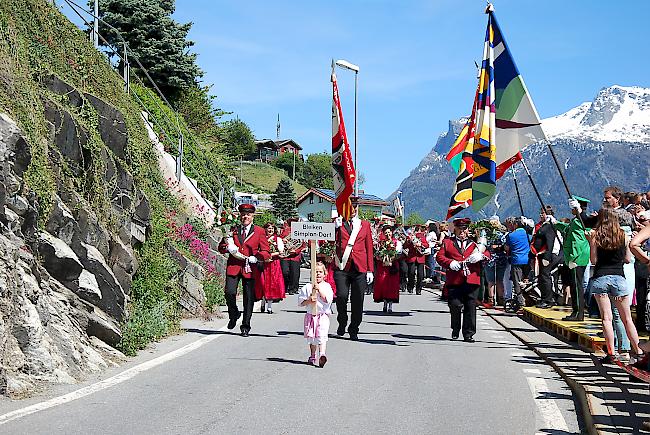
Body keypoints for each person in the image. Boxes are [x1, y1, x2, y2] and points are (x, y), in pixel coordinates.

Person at [585, 208, 643, 363]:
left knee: (606, 318)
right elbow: (627, 259)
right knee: (627, 319)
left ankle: (611, 353)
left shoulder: (596, 235)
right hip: (619, 279)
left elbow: (593, 261)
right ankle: (638, 352)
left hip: (601, 279)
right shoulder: (623, 235)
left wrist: (591, 243)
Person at [218, 203, 270, 337]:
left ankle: (245, 325)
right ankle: (234, 313)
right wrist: (227, 248)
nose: (245, 217)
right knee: (229, 292)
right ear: (239, 215)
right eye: (243, 214)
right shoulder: (232, 229)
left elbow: (266, 251)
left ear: (253, 216)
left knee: (248, 298)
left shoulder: (259, 231)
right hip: (234, 265)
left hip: (250, 267)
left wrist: (257, 257)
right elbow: (221, 246)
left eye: (248, 214)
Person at [436, 217, 490, 343]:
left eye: (464, 229)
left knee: (470, 307)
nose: (462, 231)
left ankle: (468, 334)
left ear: (468, 230)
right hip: (454, 280)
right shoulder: (448, 242)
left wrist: (480, 256)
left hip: (472, 279)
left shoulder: (475, 243)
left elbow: (488, 254)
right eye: (459, 229)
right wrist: (450, 263)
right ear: (455, 229)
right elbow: (440, 257)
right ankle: (455, 328)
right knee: (455, 305)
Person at [333, 197, 375, 340]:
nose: (353, 210)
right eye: (350, 206)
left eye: (355, 207)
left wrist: (370, 269)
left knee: (358, 300)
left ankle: (354, 328)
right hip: (342, 266)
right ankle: (342, 321)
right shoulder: (338, 223)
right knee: (341, 296)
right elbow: (328, 242)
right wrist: (335, 228)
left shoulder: (364, 225)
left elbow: (369, 247)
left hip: (360, 267)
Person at [557, 196, 592, 321]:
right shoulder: (576, 221)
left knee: (577, 286)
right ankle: (576, 311)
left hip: (577, 258)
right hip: (575, 257)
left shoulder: (581, 221)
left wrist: (573, 258)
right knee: (574, 285)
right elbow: (567, 229)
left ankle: (579, 313)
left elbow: (580, 239)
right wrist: (556, 224)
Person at [298, 262, 334, 367]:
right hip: (311, 315)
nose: (318, 274)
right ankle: (313, 355)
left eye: (320, 272)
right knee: (312, 337)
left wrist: (319, 291)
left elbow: (328, 300)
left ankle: (322, 354)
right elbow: (301, 302)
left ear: (324, 274)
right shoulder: (307, 287)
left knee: (322, 335)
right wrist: (309, 300)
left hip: (322, 315)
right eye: (316, 272)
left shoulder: (327, 286)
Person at [530, 206, 564, 309]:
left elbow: (550, 242)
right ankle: (545, 297)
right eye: (540, 213)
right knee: (542, 276)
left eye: (543, 213)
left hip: (548, 254)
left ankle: (548, 299)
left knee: (545, 276)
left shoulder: (549, 226)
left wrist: (547, 257)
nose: (541, 215)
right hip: (542, 254)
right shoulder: (545, 225)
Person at [254, 222, 286, 314]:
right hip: (263, 264)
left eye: (272, 228)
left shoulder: (278, 239)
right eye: (268, 228)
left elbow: (280, 251)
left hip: (274, 264)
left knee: (272, 285)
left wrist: (269, 255)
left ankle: (269, 306)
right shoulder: (261, 238)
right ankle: (263, 300)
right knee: (262, 283)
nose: (270, 230)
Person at [373, 225, 403, 313]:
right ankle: (385, 303)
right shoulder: (380, 243)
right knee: (383, 284)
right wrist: (380, 257)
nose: (387, 234)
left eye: (389, 232)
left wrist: (392, 257)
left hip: (392, 267)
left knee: (392, 285)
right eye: (386, 232)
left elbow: (398, 253)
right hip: (383, 267)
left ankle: (390, 305)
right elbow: (377, 254)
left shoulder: (397, 242)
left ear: (392, 233)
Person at [504, 217, 531, 309]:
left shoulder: (510, 236)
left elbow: (506, 248)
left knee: (517, 282)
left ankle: (521, 301)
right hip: (527, 259)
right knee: (526, 280)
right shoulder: (526, 232)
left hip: (516, 260)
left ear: (514, 224)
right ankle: (529, 298)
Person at [279, 218, 306, 295]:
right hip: (285, 255)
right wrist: (283, 241)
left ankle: (293, 288)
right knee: (285, 271)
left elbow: (303, 244)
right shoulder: (284, 231)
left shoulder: (300, 232)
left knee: (295, 273)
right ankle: (286, 286)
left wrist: (296, 251)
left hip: (295, 256)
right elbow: (279, 240)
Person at [404, 225, 429, 295]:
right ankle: (410, 286)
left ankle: (419, 289)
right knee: (411, 273)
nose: (414, 231)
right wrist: (408, 241)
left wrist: (420, 244)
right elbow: (405, 246)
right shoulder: (409, 236)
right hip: (412, 257)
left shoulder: (421, 236)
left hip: (420, 257)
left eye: (415, 229)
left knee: (420, 275)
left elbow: (427, 245)